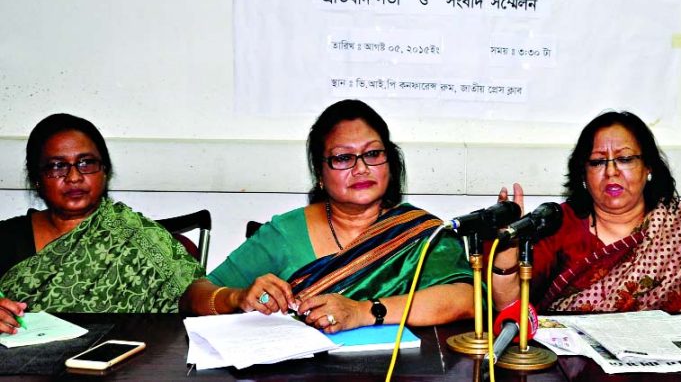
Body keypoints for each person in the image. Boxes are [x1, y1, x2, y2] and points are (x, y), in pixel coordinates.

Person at [180, 100, 473, 333]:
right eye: (343, 158)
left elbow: (468, 299)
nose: (361, 168)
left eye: (372, 154)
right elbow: (194, 296)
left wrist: (362, 312)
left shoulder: (418, 232)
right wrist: (237, 297)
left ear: (390, 163)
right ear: (320, 174)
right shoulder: (285, 233)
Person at [491, 111, 681, 313]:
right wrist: (506, 251)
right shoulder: (560, 226)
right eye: (597, 162)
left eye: (624, 159)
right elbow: (511, 307)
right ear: (583, 176)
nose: (611, 172)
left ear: (648, 167)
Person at [0, 113, 204, 334]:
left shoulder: (137, 236)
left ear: (105, 171)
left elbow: (192, 292)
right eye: (57, 166)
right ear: (37, 179)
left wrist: (231, 297)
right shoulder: (6, 237)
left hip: (123, 363)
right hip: (22, 366)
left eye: (86, 163)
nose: (74, 177)